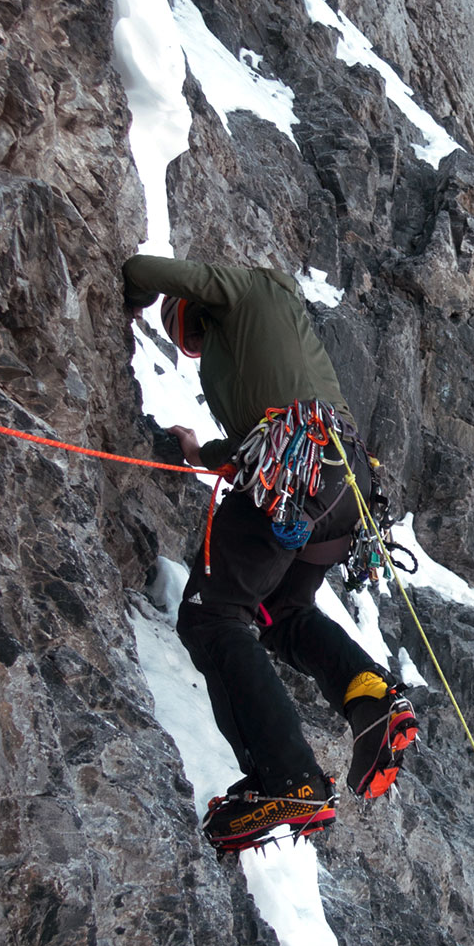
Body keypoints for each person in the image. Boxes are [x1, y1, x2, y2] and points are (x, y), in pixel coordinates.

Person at [122, 254, 418, 854]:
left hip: (296, 469)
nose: (195, 345)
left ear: (199, 309)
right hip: (345, 484)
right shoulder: (272, 333)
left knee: (213, 616)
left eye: (193, 332)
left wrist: (131, 294)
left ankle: (288, 779)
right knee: (281, 612)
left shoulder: (240, 288)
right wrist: (200, 453)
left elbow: (150, 270)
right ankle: (371, 697)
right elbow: (249, 444)